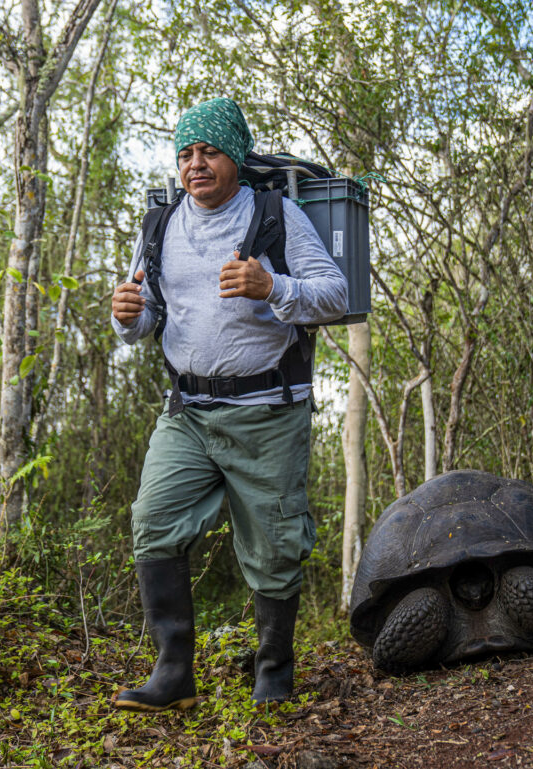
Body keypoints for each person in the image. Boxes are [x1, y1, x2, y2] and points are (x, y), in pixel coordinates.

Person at [110, 97, 348, 711]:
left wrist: (273, 285)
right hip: (186, 413)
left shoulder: (278, 216)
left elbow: (335, 294)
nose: (196, 164)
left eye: (209, 151)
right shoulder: (159, 226)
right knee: (153, 524)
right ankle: (173, 673)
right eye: (186, 154)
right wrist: (126, 318)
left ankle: (274, 669)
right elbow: (146, 318)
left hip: (268, 414)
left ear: (234, 158)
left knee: (272, 551)